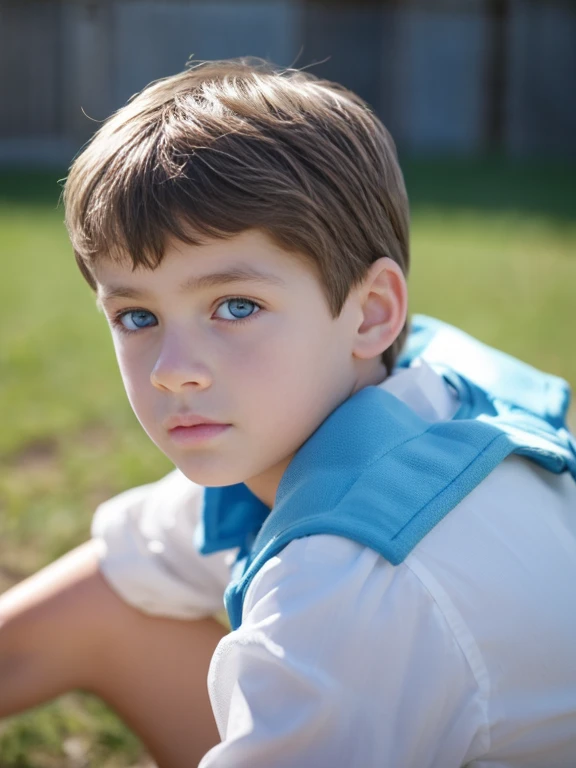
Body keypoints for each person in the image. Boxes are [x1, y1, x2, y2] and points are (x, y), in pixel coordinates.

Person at [1, 58, 575, 768]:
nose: (173, 369)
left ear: (371, 313)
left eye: (236, 307)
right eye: (137, 315)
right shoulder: (399, 391)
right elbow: (124, 565)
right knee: (103, 613)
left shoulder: (354, 585)